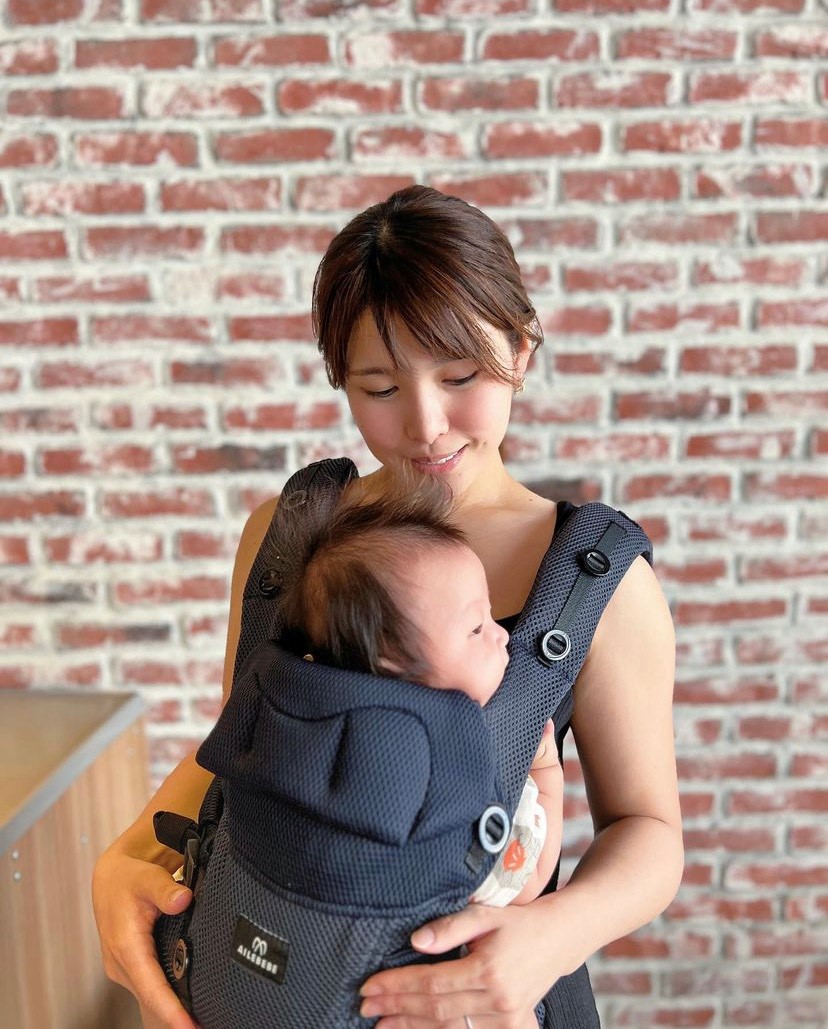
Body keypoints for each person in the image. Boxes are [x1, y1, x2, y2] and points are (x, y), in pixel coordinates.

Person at [93, 184, 683, 1029]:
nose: (426, 423)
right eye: (378, 387)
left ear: (521, 348)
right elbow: (247, 746)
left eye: (461, 376)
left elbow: (649, 829)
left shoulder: (598, 581)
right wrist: (122, 857)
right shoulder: (291, 535)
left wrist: (552, 936)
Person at [277, 472, 564, 913]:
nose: (502, 635)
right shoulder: (456, 767)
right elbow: (522, 879)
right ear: (392, 662)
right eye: (476, 627)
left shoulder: (298, 722)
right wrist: (546, 776)